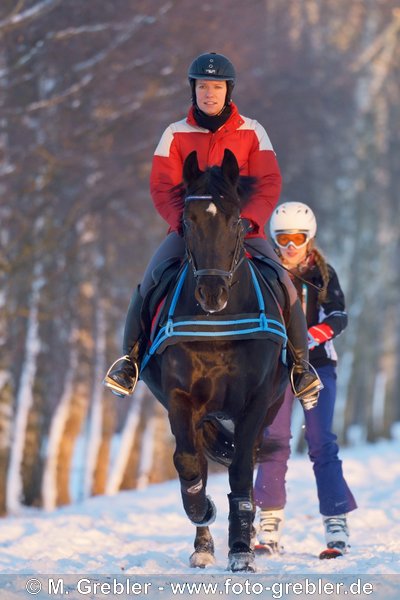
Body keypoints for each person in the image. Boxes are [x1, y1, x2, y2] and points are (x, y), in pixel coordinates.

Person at [103, 52, 322, 408]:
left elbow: (268, 181)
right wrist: (183, 224)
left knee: (284, 285)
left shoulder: (253, 131)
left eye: (216, 87)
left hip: (244, 231)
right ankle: (129, 362)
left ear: (228, 91)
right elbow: (162, 186)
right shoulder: (175, 134)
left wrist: (246, 221)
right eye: (203, 86)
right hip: (190, 233)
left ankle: (301, 368)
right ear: (193, 90)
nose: (209, 93)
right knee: (150, 282)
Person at [253, 201, 357, 558]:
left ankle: (336, 522)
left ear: (309, 238)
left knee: (321, 441)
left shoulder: (322, 275)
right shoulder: (264, 271)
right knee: (274, 438)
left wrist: (311, 335)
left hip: (317, 366)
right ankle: (268, 525)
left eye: (298, 238)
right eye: (284, 238)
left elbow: (340, 315)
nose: (291, 246)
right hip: (277, 367)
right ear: (275, 239)